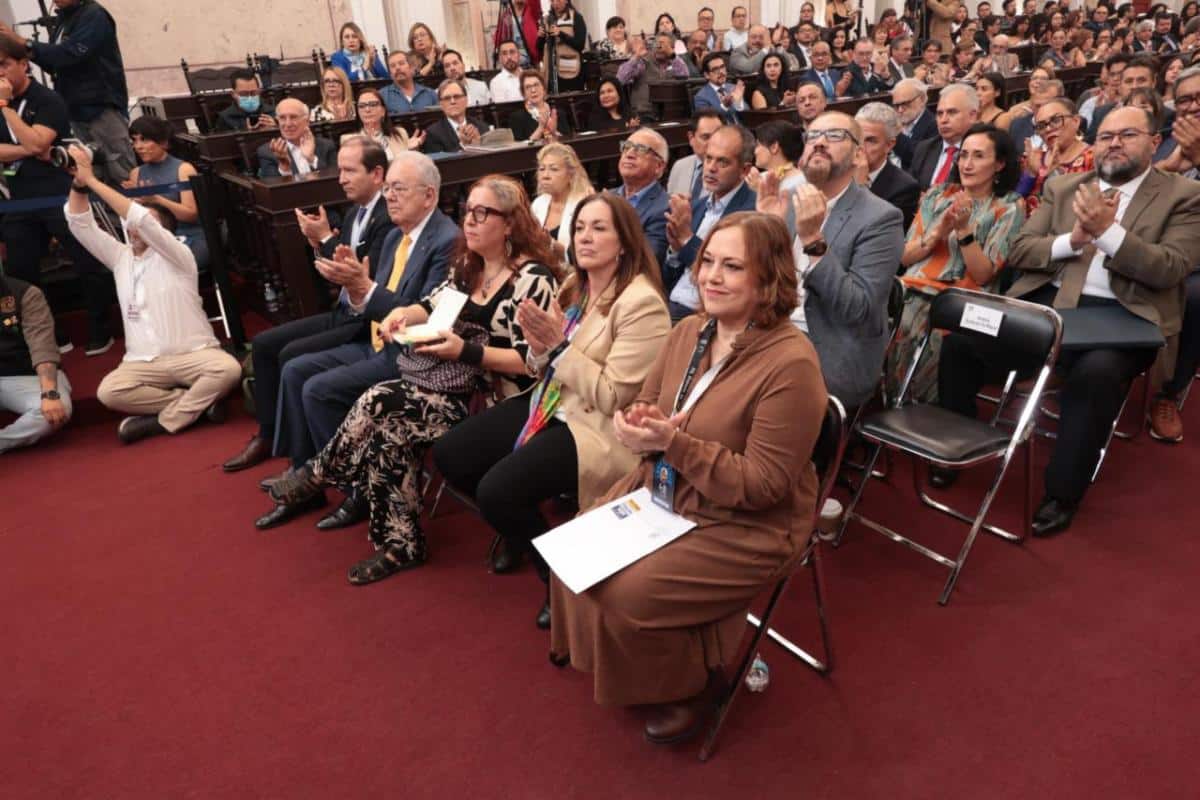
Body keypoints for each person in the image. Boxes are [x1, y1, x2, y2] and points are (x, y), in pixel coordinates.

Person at [547, 211, 825, 743]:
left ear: (768, 278)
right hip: (672, 489)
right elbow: (647, 402)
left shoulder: (791, 364)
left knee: (629, 592)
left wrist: (674, 443)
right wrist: (637, 423)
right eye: (708, 263)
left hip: (749, 523)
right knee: (574, 544)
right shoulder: (691, 330)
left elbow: (764, 486)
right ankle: (644, 665)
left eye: (733, 267)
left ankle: (690, 686)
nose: (712, 277)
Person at [266, 175, 561, 581]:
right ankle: (401, 545)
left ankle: (319, 474)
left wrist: (467, 351)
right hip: (457, 390)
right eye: (467, 212)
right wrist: (399, 317)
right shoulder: (468, 267)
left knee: (378, 401)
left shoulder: (532, 280)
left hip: (511, 402)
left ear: (510, 223)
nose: (469, 222)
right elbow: (428, 304)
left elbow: (537, 362)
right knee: (390, 429)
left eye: (481, 213)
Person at [934, 106, 1200, 536]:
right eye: (1106, 135)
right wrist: (1072, 240)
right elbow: (1021, 250)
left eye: (1127, 134)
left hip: (1122, 318)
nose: (1113, 142)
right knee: (961, 340)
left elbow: (1170, 268)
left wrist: (1109, 234)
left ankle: (1062, 493)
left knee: (1095, 376)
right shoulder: (1063, 186)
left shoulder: (1183, 197)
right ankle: (953, 448)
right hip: (1046, 306)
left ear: (1154, 142)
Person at [433, 192, 671, 626]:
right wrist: (542, 346)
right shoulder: (575, 286)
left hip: (597, 427)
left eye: (599, 228)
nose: (585, 237)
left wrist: (557, 348)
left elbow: (614, 395)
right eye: (580, 227)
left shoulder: (641, 304)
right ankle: (519, 529)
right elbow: (540, 363)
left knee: (497, 491)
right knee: (452, 454)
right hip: (552, 401)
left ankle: (560, 580)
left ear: (625, 242)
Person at [257, 152, 458, 528]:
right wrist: (352, 287)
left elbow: (426, 315)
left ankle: (361, 493)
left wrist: (362, 287)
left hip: (407, 357)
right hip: (372, 340)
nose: (390, 197)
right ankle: (306, 477)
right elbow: (365, 302)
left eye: (398, 189)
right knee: (296, 369)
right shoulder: (397, 235)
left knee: (318, 389)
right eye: (388, 189)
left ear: (429, 196)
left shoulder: (446, 241)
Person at [221, 138, 395, 488]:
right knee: (266, 344)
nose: (341, 178)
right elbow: (338, 271)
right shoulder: (354, 211)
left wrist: (324, 241)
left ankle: (305, 463)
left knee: (291, 357)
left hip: (364, 321)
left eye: (349, 170)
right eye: (340, 170)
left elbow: (365, 276)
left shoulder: (387, 217)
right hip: (344, 309)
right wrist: (319, 243)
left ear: (377, 174)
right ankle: (269, 434)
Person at [65, 144, 240, 444]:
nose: (134, 230)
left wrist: (94, 180)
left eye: (146, 225)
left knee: (227, 369)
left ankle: (161, 423)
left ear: (166, 233)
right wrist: (79, 184)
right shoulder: (121, 258)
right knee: (109, 391)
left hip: (194, 354)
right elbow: (80, 224)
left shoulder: (178, 254)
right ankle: (192, 404)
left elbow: (141, 221)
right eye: (130, 227)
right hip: (143, 363)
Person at [760, 111, 906, 409]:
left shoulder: (881, 218)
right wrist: (766, 232)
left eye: (835, 135)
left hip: (830, 344)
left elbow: (857, 308)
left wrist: (813, 241)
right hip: (773, 332)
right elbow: (758, 287)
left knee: (747, 399)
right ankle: (663, 456)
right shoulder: (785, 203)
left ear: (858, 154)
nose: (820, 142)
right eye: (812, 136)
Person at [890, 124, 1023, 400]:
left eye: (978, 156)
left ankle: (923, 413)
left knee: (926, 328)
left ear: (999, 164)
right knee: (893, 318)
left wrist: (964, 232)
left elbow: (984, 274)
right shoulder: (939, 194)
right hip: (914, 287)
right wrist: (938, 232)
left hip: (966, 298)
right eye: (963, 155)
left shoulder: (1009, 206)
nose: (967, 164)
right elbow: (904, 256)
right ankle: (893, 403)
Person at [0, 37, 112, 355]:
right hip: (20, 197)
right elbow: (31, 146)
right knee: (21, 269)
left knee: (85, 260)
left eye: (5, 64)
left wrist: (6, 110)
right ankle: (51, 334)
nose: (0, 73)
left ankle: (99, 329)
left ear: (24, 64)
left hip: (58, 191)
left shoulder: (47, 99)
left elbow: (39, 144)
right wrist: (30, 148)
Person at [0, 0, 135, 182]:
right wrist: (24, 49)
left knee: (119, 169)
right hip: (73, 108)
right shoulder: (64, 19)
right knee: (88, 173)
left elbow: (70, 54)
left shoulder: (93, 15)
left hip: (100, 107)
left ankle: (133, 208)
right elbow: (56, 64)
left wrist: (25, 43)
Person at [663, 125, 758, 320]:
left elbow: (725, 271)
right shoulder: (696, 207)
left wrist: (686, 239)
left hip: (708, 315)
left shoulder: (752, 212)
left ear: (744, 169)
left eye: (722, 162)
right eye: (708, 158)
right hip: (670, 306)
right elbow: (670, 277)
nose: (711, 168)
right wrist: (674, 250)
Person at [0, 274, 72, 454]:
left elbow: (43, 348)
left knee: (56, 410)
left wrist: (49, 392)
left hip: (25, 377)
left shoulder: (26, 294)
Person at [125, 116, 207, 271]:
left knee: (159, 266)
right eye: (134, 141)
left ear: (163, 142)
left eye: (144, 140)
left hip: (189, 235)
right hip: (153, 237)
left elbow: (191, 215)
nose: (138, 146)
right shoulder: (135, 173)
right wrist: (133, 202)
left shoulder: (184, 169)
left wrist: (157, 199)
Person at [1017, 97, 1093, 216]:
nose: (1048, 129)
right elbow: (1017, 202)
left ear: (1076, 121)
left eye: (1056, 120)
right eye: (1041, 126)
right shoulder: (1035, 158)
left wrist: (1053, 174)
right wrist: (1031, 173)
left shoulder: (1093, 158)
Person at [611, 128, 671, 269]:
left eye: (641, 149)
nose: (630, 154)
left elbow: (648, 258)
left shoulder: (664, 208)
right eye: (626, 147)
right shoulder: (607, 198)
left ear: (659, 166)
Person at [855, 102, 921, 230]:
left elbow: (873, 233)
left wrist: (859, 187)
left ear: (889, 145)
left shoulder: (905, 188)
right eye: (857, 138)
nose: (860, 147)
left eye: (870, 141)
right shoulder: (838, 172)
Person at [911, 83, 981, 189]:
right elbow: (911, 190)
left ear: (972, 116)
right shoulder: (925, 148)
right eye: (939, 113)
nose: (943, 120)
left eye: (952, 112)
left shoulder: (983, 150)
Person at [531, 142, 593, 254]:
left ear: (571, 174)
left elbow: (583, 253)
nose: (545, 176)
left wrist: (551, 244)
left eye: (554, 169)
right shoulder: (538, 203)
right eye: (541, 169)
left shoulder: (583, 204)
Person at [256, 99, 338, 178]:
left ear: (307, 121)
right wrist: (285, 168)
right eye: (282, 118)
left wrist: (312, 159)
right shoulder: (268, 152)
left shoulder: (326, 146)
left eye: (293, 117)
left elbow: (334, 180)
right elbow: (273, 189)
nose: (288, 124)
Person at [616, 33, 688, 122]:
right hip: (644, 114)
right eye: (657, 44)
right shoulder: (643, 62)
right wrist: (636, 57)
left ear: (672, 48)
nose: (659, 47)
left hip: (670, 114)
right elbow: (620, 79)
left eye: (663, 45)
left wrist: (672, 55)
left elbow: (684, 76)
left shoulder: (675, 62)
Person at [346, 87, 422, 159]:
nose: (367, 109)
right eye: (362, 106)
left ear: (383, 111)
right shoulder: (349, 140)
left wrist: (412, 151)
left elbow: (409, 165)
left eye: (373, 104)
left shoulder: (400, 134)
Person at [667, 110, 724, 203]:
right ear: (691, 138)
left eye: (717, 137)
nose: (713, 143)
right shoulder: (680, 166)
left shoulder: (731, 170)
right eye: (706, 137)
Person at [422, 80, 490, 155]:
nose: (452, 101)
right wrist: (463, 146)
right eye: (447, 98)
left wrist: (478, 146)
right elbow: (440, 164)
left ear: (466, 100)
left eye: (457, 96)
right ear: (441, 104)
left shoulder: (482, 127)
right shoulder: (432, 134)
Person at [538, 0, 588, 92]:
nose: (555, 3)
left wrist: (561, 34)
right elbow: (539, 49)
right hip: (551, 72)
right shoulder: (547, 19)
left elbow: (580, 44)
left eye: (558, 0)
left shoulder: (576, 17)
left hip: (571, 71)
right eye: (552, 1)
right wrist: (540, 37)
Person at [509, 70, 571, 143]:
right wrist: (541, 127)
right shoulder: (517, 118)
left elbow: (568, 142)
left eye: (536, 85)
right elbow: (520, 149)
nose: (533, 90)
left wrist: (553, 132)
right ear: (523, 94)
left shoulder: (558, 113)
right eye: (528, 87)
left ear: (544, 89)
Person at [892, 78, 937, 170]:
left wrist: (895, 133)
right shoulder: (897, 121)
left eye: (905, 103)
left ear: (922, 99)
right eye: (896, 106)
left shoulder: (934, 125)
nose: (900, 110)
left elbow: (918, 156)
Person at [693, 53, 747, 124]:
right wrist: (724, 106)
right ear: (707, 75)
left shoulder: (733, 88)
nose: (721, 72)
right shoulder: (701, 97)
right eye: (715, 69)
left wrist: (739, 103)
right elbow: (709, 122)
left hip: (741, 131)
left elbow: (748, 115)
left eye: (722, 67)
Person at [754, 120, 806, 194]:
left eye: (758, 145)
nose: (755, 151)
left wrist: (758, 190)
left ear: (774, 147)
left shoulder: (800, 183)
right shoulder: (759, 178)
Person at [494, 0, 543, 69]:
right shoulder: (507, 14)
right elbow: (498, 38)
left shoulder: (531, 10)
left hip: (530, 61)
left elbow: (535, 2)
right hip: (512, 62)